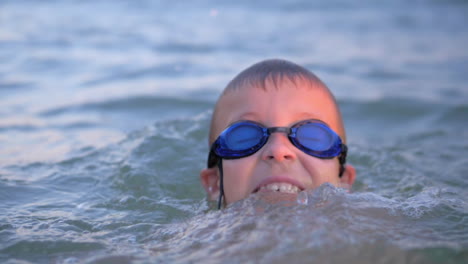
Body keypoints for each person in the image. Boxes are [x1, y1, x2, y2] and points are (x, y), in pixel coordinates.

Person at [200, 59, 356, 209]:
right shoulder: (194, 235)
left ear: (343, 180)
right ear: (215, 183)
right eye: (245, 137)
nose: (278, 150)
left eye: (311, 136)